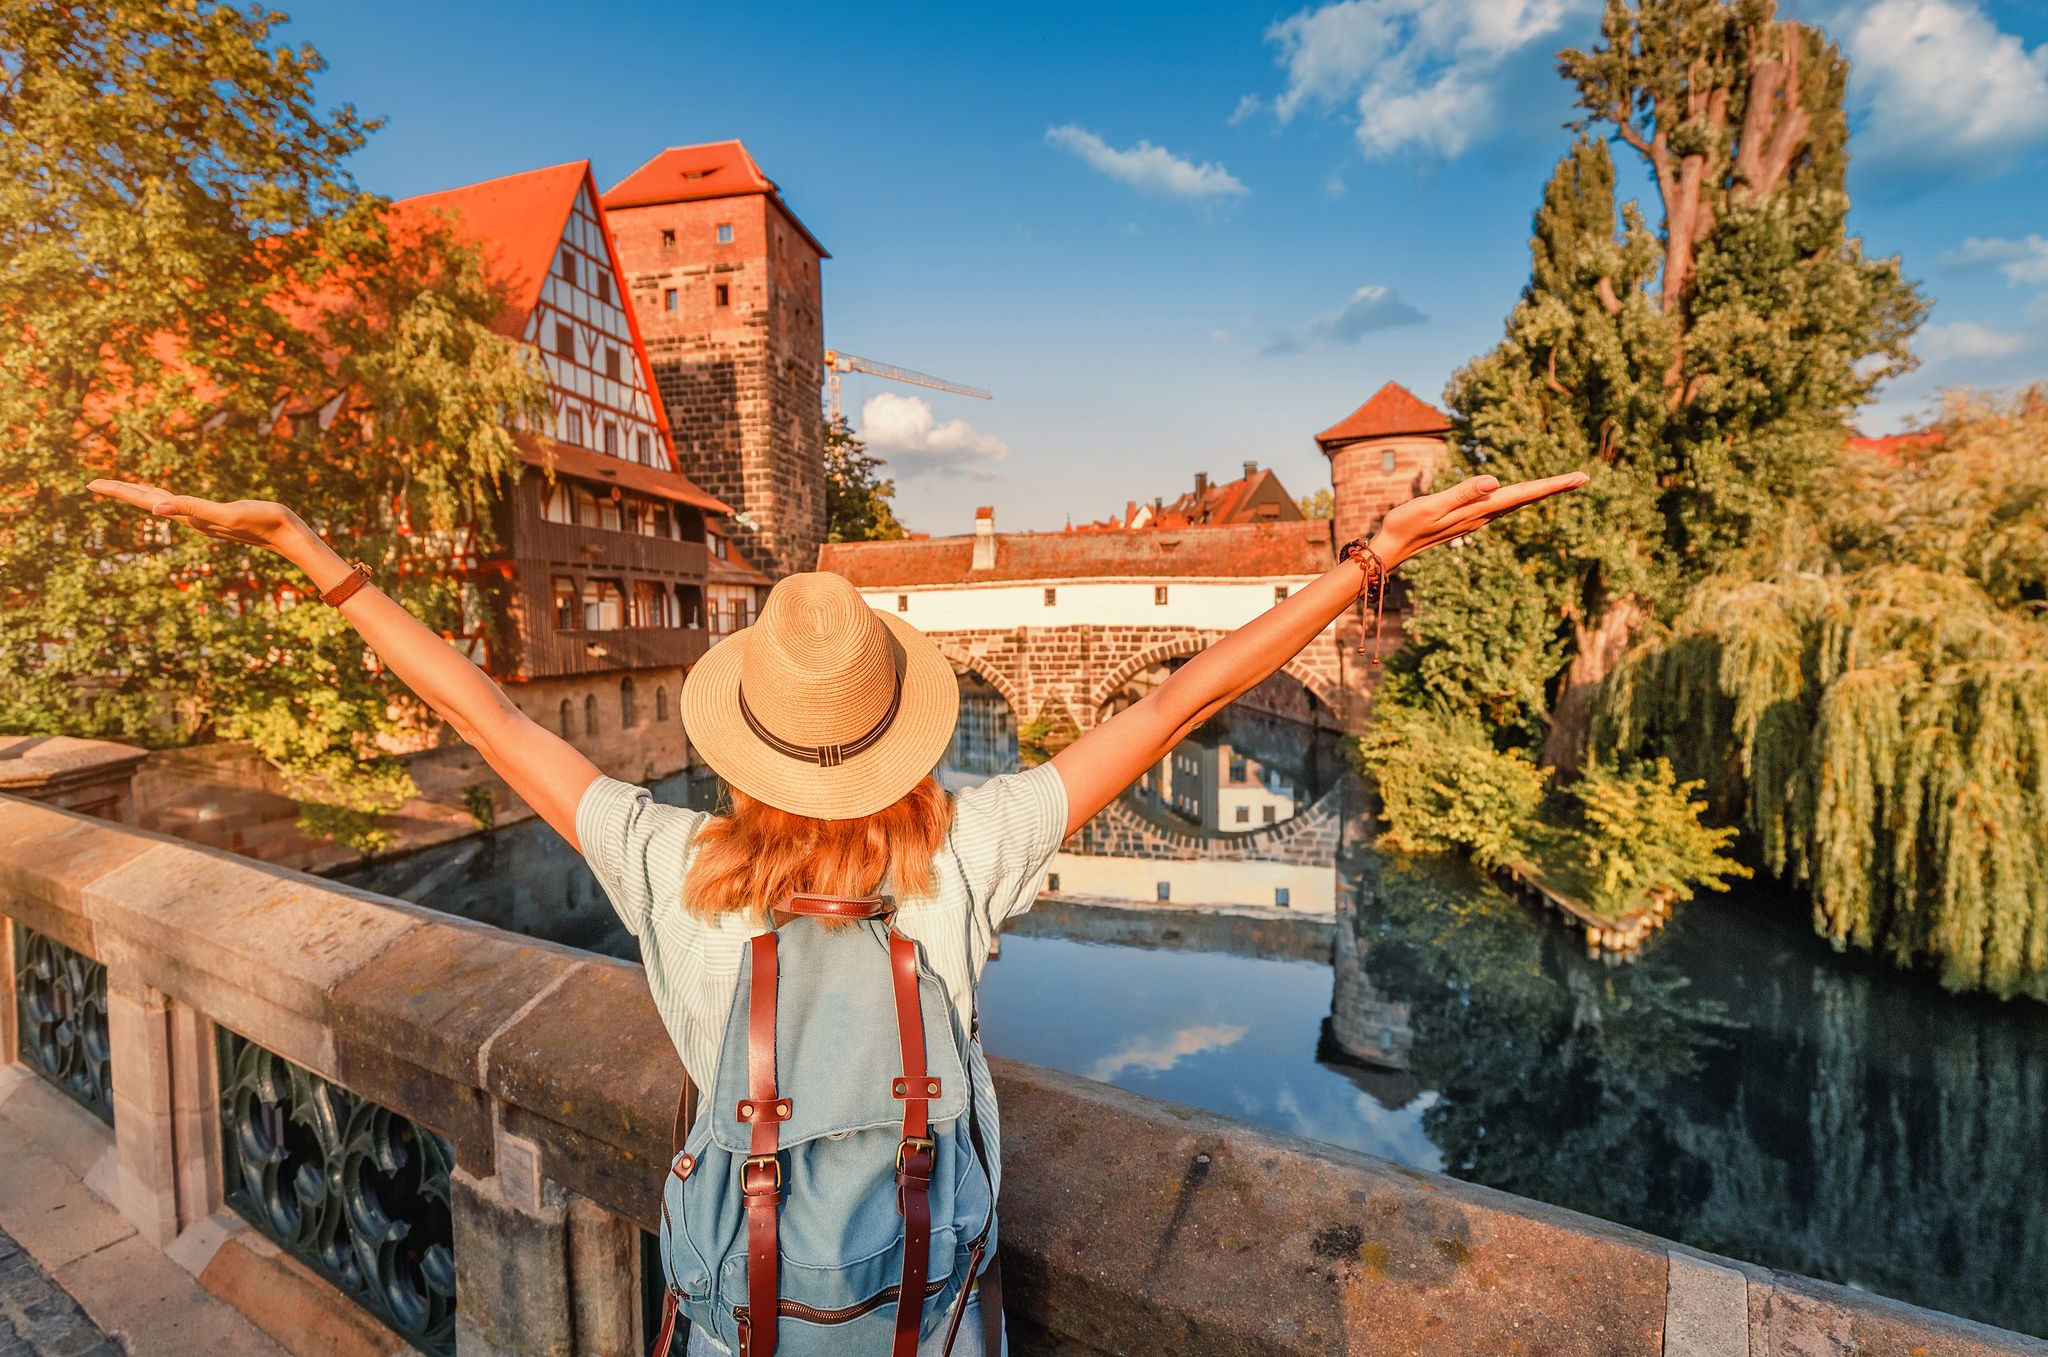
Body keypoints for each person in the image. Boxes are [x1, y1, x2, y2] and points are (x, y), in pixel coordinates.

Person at [88, 466, 1585, 1353]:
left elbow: (481, 711)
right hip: (931, 1325)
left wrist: (308, 552)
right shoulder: (972, 848)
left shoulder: (666, 862)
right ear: (904, 726)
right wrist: (1374, 557)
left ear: (743, 729)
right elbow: (1199, 686)